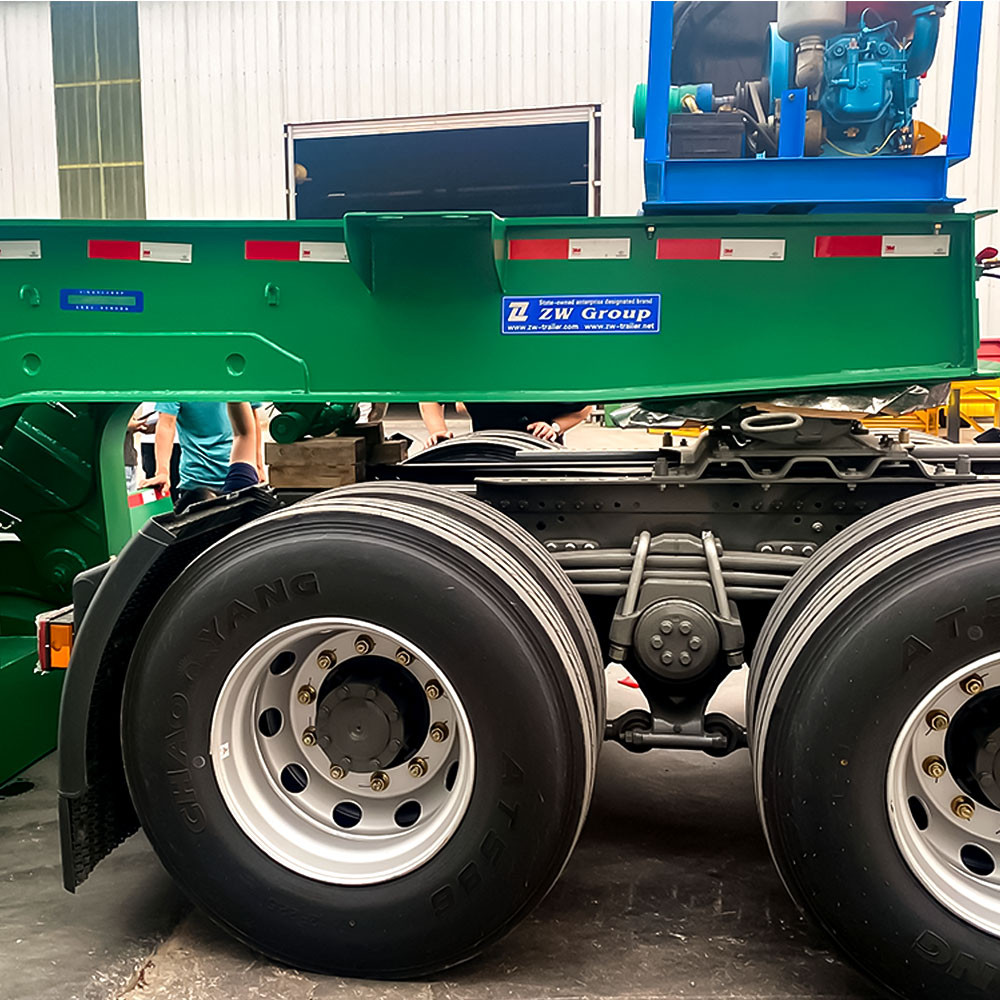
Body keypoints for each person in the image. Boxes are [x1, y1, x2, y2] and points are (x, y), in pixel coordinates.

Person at [140, 402, 262, 514]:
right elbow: (166, 424)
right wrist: (162, 472)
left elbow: (252, 417)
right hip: (200, 478)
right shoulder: (177, 386)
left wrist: (258, 465)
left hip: (235, 472)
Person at [419, 401, 592, 447]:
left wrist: (554, 427)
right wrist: (438, 431)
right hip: (486, 453)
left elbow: (585, 407)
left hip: (541, 453)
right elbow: (430, 392)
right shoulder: (474, 363)